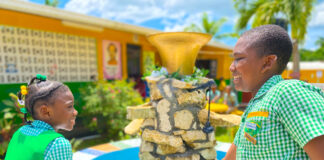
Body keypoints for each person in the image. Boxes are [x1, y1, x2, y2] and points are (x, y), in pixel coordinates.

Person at [224, 25, 324, 160]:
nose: (231, 67)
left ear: (267, 62)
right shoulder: (257, 103)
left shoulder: (287, 92)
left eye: (239, 58)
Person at [5, 74, 78, 160]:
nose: (75, 112)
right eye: (69, 106)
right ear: (45, 111)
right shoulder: (57, 144)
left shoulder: (20, 133)